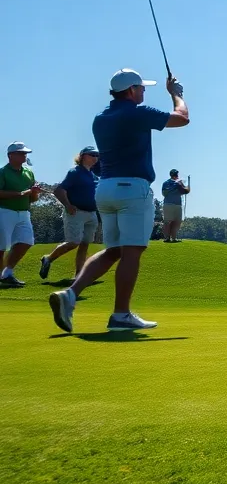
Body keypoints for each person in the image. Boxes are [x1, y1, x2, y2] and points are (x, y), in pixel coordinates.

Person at [48, 68, 189, 334]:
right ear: (132, 90)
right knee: (133, 251)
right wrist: (176, 95)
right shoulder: (135, 112)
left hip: (106, 189)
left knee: (114, 250)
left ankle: (70, 294)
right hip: (132, 188)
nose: (144, 92)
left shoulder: (100, 118)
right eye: (142, 88)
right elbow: (182, 118)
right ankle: (121, 314)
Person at [40, 147, 102, 280]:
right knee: (74, 242)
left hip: (91, 213)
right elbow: (59, 190)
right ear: (83, 156)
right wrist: (68, 205)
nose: (95, 157)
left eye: (97, 155)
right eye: (92, 154)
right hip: (76, 212)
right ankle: (48, 258)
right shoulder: (75, 172)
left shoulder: (93, 175)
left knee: (85, 244)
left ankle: (79, 275)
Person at [0, 142, 40, 288]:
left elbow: (33, 199)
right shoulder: (3, 172)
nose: (24, 155)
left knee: (26, 242)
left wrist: (34, 193)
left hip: (24, 213)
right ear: (11, 155)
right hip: (4, 211)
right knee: (1, 246)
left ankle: (7, 273)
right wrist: (22, 193)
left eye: (25, 153)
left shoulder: (29, 173)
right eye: (21, 153)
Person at [160, 169, 190, 242]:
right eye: (176, 174)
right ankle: (169, 238)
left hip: (173, 204)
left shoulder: (176, 183)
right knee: (171, 222)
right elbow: (164, 193)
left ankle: (171, 238)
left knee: (173, 222)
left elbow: (186, 191)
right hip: (172, 204)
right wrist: (177, 186)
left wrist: (183, 185)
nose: (177, 176)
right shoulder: (171, 183)